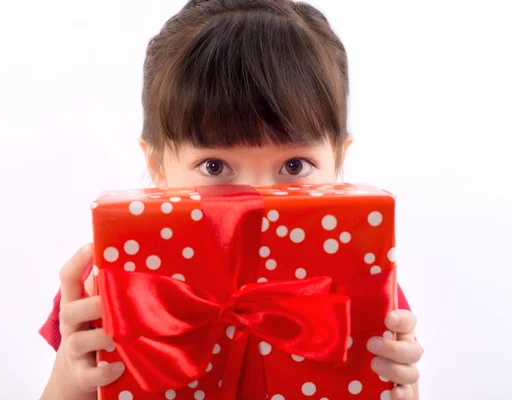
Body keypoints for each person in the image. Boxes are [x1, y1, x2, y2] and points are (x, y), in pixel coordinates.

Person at [39, 0, 423, 399]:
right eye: (214, 167)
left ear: (339, 158)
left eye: (294, 166)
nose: (256, 199)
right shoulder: (112, 284)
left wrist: (403, 389)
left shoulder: (362, 282)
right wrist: (72, 376)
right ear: (156, 165)